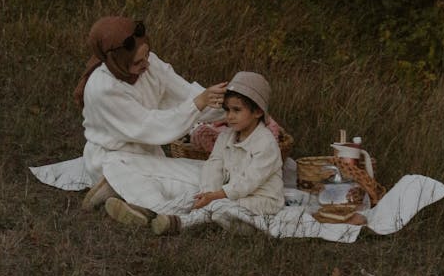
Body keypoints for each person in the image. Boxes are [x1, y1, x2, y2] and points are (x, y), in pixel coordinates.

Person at [74, 16, 227, 210]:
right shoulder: (103, 89)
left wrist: (230, 107)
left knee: (203, 174)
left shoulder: (149, 63)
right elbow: (150, 125)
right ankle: (125, 193)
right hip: (114, 157)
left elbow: (184, 93)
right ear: (117, 61)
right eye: (138, 62)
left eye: (147, 54)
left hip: (148, 153)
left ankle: (121, 195)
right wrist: (197, 105)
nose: (146, 64)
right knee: (192, 187)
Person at [104, 71, 285, 234]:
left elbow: (248, 182)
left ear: (258, 111)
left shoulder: (266, 143)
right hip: (229, 192)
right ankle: (150, 212)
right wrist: (207, 192)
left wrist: (214, 196)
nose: (229, 116)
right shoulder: (229, 135)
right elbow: (214, 164)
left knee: (220, 207)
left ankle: (180, 224)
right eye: (227, 110)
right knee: (192, 198)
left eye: (237, 110)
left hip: (261, 199)